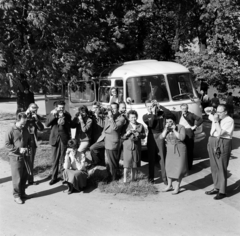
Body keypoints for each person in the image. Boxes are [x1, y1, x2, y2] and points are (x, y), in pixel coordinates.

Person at [160, 103, 203, 170]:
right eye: (183, 109)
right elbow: (168, 113)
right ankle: (182, 165)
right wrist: (161, 106)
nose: (184, 110)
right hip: (180, 131)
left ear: (187, 108)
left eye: (185, 108)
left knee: (189, 149)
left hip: (188, 132)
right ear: (181, 108)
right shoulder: (178, 113)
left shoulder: (191, 115)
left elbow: (200, 119)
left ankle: (189, 166)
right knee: (181, 149)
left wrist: (194, 126)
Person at [205, 104, 234, 200]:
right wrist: (210, 111)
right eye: (217, 111)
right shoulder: (216, 116)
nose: (217, 114)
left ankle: (222, 191)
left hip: (222, 141)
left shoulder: (229, 120)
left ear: (225, 112)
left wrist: (216, 120)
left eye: (220, 112)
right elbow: (207, 112)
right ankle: (216, 187)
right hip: (212, 140)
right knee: (214, 166)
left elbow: (220, 132)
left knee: (221, 166)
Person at [90, 102, 125, 180]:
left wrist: (111, 118)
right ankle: (100, 165)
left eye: (114, 108)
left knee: (112, 162)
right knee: (93, 148)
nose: (112, 110)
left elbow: (114, 128)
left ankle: (114, 178)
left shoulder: (121, 118)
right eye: (111, 108)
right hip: (104, 138)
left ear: (118, 109)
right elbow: (104, 126)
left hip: (112, 141)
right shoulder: (107, 117)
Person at [5, 112, 32, 204]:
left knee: (25, 176)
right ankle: (16, 196)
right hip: (15, 157)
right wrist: (18, 149)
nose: (24, 124)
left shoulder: (25, 128)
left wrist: (29, 146)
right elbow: (7, 145)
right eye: (23, 122)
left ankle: (22, 193)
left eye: (25, 121)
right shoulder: (11, 130)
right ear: (17, 120)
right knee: (17, 178)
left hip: (25, 156)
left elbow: (28, 139)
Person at [45, 101, 72, 185]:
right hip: (55, 139)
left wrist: (64, 118)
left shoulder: (67, 115)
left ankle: (64, 177)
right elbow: (47, 124)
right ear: (56, 107)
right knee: (55, 159)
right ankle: (54, 177)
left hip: (64, 139)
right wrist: (54, 116)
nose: (61, 109)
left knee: (64, 159)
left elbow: (70, 124)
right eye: (60, 108)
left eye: (63, 107)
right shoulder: (52, 114)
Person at [161, 113, 188, 194]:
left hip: (179, 149)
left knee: (178, 169)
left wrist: (174, 130)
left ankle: (177, 187)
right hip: (169, 150)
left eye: (170, 121)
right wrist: (166, 129)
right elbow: (161, 137)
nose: (169, 123)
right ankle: (169, 185)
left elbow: (182, 138)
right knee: (169, 167)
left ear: (174, 121)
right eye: (167, 122)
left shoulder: (181, 127)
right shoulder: (166, 128)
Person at [142, 100, 168, 184]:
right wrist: (153, 114)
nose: (150, 108)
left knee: (162, 157)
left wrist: (160, 107)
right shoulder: (145, 116)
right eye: (148, 106)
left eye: (151, 106)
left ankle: (165, 178)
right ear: (146, 107)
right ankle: (151, 178)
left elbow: (166, 120)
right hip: (151, 136)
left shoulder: (161, 113)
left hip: (160, 135)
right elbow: (151, 125)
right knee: (151, 158)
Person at [122, 110, 146, 183]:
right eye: (132, 117)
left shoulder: (140, 125)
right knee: (126, 164)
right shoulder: (125, 126)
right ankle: (125, 180)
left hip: (136, 147)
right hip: (127, 147)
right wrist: (127, 133)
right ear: (128, 118)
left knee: (135, 164)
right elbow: (122, 137)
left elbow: (144, 135)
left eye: (135, 117)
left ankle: (133, 179)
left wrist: (139, 134)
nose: (134, 119)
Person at [25, 103, 44, 185]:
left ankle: (30, 180)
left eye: (36, 108)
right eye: (33, 108)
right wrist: (25, 116)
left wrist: (37, 120)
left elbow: (41, 128)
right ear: (29, 108)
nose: (34, 110)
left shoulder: (36, 117)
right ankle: (22, 181)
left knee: (31, 162)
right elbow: (18, 125)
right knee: (23, 162)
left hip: (32, 142)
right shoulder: (23, 115)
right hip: (23, 142)